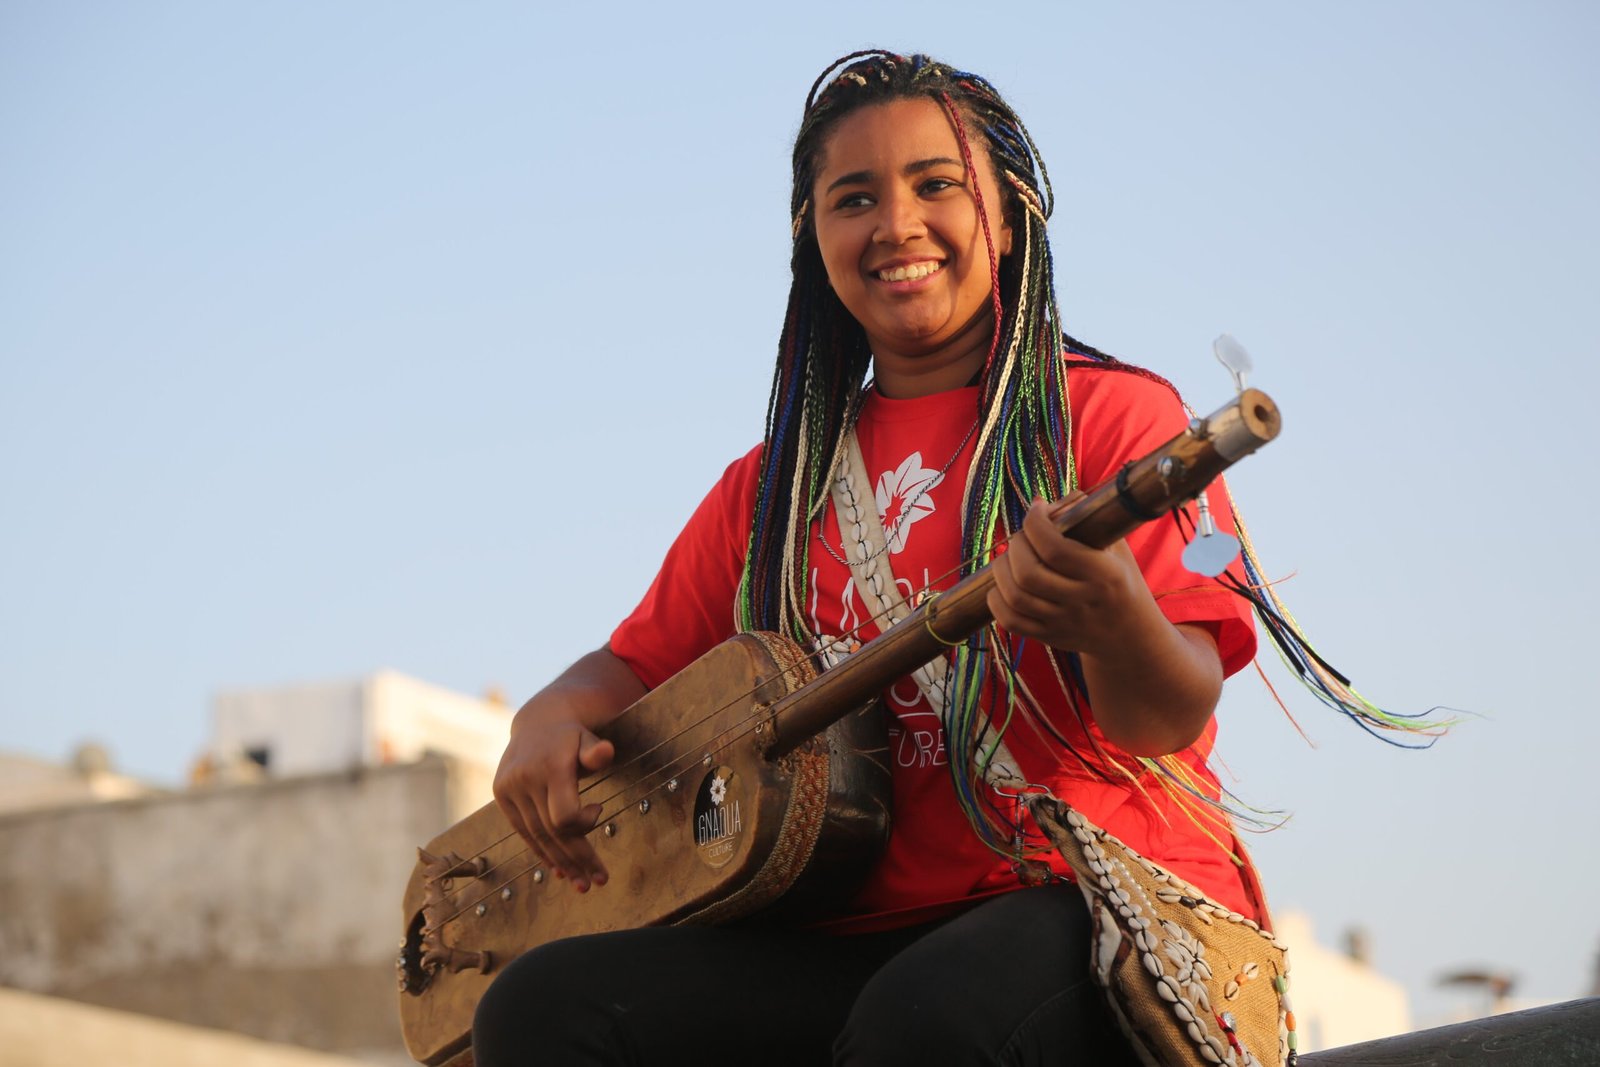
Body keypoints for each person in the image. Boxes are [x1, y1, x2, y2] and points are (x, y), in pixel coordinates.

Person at [473, 51, 1265, 1066]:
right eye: (854, 198)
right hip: (843, 936)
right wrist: (547, 716)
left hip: (1084, 904)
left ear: (1010, 218)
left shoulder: (1118, 417)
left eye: (937, 184)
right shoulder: (769, 490)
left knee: (920, 1021)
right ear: (814, 241)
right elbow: (629, 668)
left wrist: (1111, 620)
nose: (896, 224)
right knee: (543, 1008)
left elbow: (1169, 713)